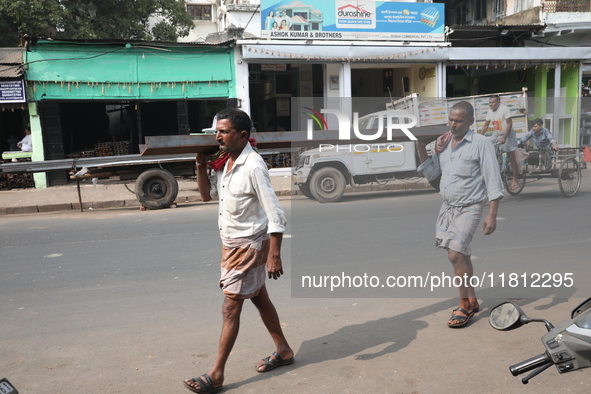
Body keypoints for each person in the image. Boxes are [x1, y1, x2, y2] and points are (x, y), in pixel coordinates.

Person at [184, 108, 294, 393]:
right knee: (259, 297)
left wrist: (275, 255)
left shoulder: (253, 166)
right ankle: (283, 350)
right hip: (231, 245)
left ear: (243, 135)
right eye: (216, 132)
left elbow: (276, 215)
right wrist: (200, 164)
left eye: (223, 132)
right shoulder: (226, 161)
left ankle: (216, 374)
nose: (218, 137)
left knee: (230, 306)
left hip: (249, 246)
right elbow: (206, 195)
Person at [416, 101, 503, 328]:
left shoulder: (481, 143)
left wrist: (492, 213)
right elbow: (433, 174)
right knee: (461, 254)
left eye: (458, 121)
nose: (452, 124)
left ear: (470, 122)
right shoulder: (443, 143)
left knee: (454, 255)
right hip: (447, 207)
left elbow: (493, 179)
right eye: (451, 120)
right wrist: (420, 147)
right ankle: (472, 299)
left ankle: (463, 304)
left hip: (471, 206)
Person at [479, 95, 519, 191]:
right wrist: (479, 137)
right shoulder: (489, 111)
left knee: (511, 154)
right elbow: (486, 126)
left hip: (508, 134)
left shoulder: (504, 109)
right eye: (490, 103)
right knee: (486, 146)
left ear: (498, 102)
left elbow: (510, 123)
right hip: (497, 133)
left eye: (493, 102)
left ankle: (515, 178)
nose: (491, 104)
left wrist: (504, 137)